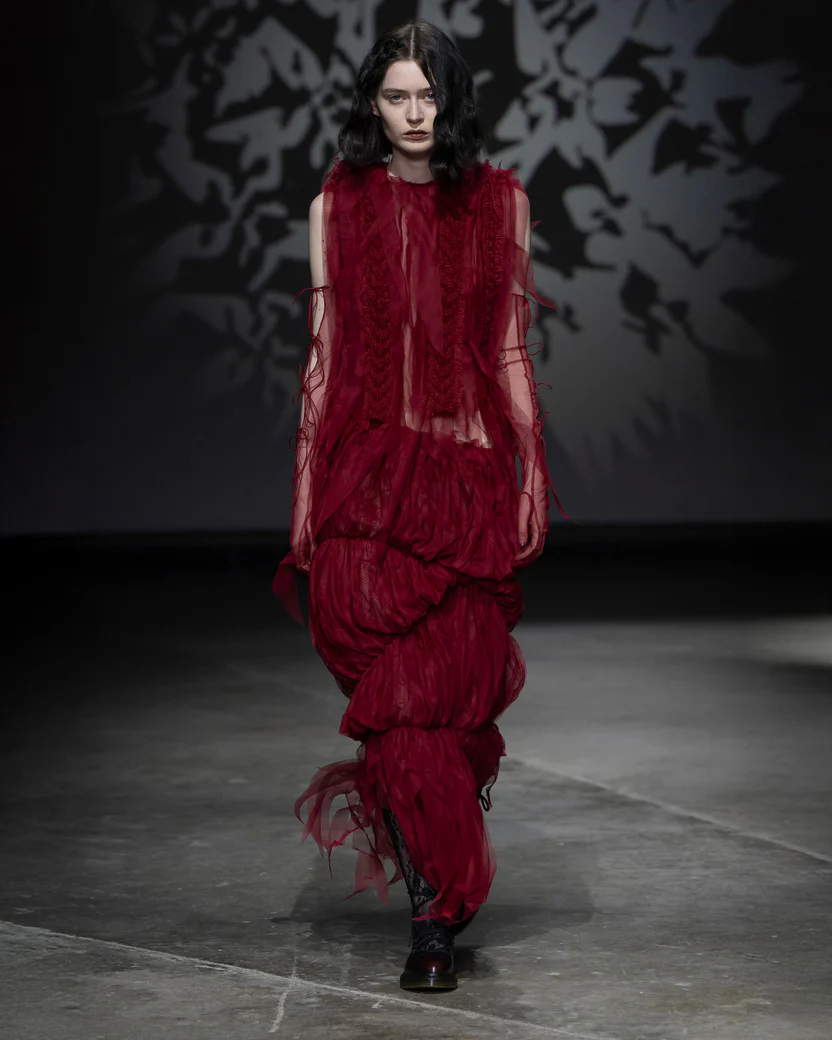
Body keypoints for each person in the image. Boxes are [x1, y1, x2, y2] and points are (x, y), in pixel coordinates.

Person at [273, 19, 563, 992]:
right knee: (399, 714)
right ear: (372, 101)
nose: (411, 113)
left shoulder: (499, 202)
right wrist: (305, 496)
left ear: (452, 102)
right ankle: (433, 917)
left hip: (461, 483)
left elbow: (510, 348)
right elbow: (323, 356)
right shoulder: (337, 205)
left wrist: (531, 473)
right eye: (395, 95)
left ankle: (441, 873)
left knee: (445, 706)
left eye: (427, 96)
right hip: (365, 486)